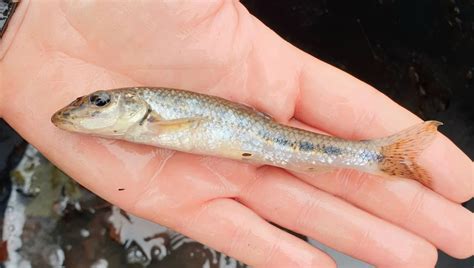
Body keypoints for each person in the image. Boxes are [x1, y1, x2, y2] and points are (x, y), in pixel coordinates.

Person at [0, 1, 472, 267]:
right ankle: (375, 157)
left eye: (99, 101)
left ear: (133, 108)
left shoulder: (150, 118)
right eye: (95, 103)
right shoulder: (141, 121)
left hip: (266, 140)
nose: (90, 107)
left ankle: (376, 157)